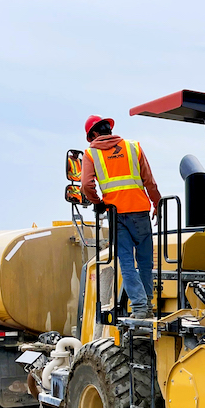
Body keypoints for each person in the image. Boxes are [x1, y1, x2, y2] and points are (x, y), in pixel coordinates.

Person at [80, 115, 162, 319]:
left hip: (117, 215)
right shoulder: (133, 147)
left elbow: (86, 186)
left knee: (126, 262)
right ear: (109, 129)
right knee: (145, 262)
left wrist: (98, 202)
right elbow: (149, 181)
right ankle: (148, 305)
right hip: (141, 212)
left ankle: (140, 307)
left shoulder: (91, 154)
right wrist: (157, 204)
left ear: (94, 134)